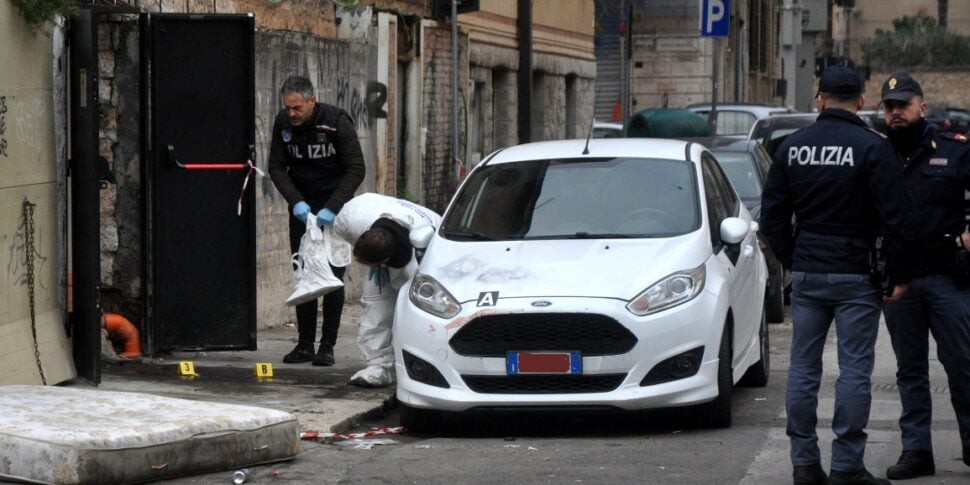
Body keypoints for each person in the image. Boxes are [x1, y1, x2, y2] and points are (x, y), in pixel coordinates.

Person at [761, 65, 915, 485]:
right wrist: (898, 274)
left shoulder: (792, 147)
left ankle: (804, 464)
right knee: (854, 371)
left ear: (819, 98)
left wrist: (795, 259)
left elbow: (772, 218)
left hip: (809, 272)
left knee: (803, 369)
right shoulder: (872, 147)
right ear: (862, 101)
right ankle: (847, 466)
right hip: (856, 274)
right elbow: (896, 218)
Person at [878, 72, 970, 480]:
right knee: (910, 370)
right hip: (900, 281)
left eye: (903, 104)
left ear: (922, 107)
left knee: (963, 364)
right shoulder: (877, 154)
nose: (896, 112)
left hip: (948, 279)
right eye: (890, 106)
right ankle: (917, 451)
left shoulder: (955, 151)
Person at [268, 75, 365, 367]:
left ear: (312, 101)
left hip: (334, 210)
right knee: (304, 275)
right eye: (288, 107)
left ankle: (327, 346)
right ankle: (304, 344)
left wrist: (333, 207)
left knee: (333, 277)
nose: (292, 113)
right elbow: (276, 166)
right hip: (302, 210)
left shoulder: (336, 122)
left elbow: (356, 169)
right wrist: (295, 200)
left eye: (298, 107)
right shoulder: (283, 124)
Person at [332, 193, 441, 387]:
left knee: (421, 312)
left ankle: (428, 363)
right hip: (380, 239)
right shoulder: (355, 217)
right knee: (375, 307)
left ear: (384, 261)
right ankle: (377, 367)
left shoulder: (425, 253)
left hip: (425, 257)